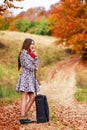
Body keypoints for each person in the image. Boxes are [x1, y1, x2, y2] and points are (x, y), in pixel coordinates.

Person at [16, 38, 40, 124]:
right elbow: (30, 66)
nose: (32, 46)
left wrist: (35, 56)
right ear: (27, 44)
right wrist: (34, 66)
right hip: (25, 77)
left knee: (33, 97)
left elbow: (35, 65)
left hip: (30, 77)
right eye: (31, 44)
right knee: (24, 97)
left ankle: (23, 115)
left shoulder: (30, 54)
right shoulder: (23, 53)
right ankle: (23, 117)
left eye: (33, 44)